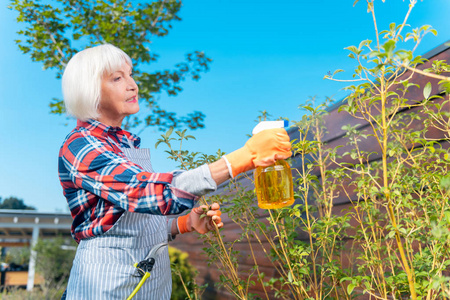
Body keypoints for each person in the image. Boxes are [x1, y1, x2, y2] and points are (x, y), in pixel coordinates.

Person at [58, 43, 292, 299]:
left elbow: (133, 219)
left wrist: (184, 223)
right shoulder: (81, 145)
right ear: (89, 90)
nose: (132, 84)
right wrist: (241, 159)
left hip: (147, 283)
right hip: (105, 285)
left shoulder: (123, 144)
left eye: (130, 74)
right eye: (117, 78)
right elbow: (144, 191)